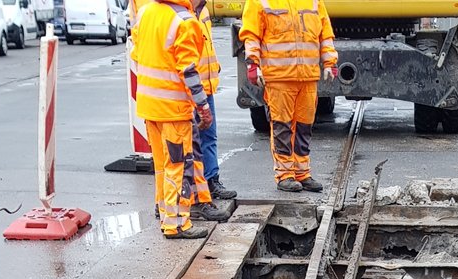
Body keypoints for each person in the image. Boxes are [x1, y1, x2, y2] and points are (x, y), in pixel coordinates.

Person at [132, 0, 215, 239]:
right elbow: (188, 71)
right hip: (173, 110)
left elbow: (137, 54)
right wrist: (202, 106)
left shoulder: (147, 12)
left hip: (149, 107)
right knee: (179, 167)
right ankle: (177, 224)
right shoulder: (185, 21)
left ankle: (165, 214)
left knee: (162, 167)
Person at [239, 0, 338, 193]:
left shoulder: (314, 2)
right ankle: (285, 175)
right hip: (279, 77)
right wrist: (252, 63)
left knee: (304, 126)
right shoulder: (260, 2)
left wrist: (330, 62)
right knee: (282, 126)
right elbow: (251, 34)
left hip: (307, 77)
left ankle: (302, 172)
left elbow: (325, 33)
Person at [193, 0, 237, 202]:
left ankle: (212, 181)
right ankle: (194, 191)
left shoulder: (202, 12)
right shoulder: (181, 13)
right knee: (190, 144)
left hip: (206, 86)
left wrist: (214, 66)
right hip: (189, 90)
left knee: (209, 137)